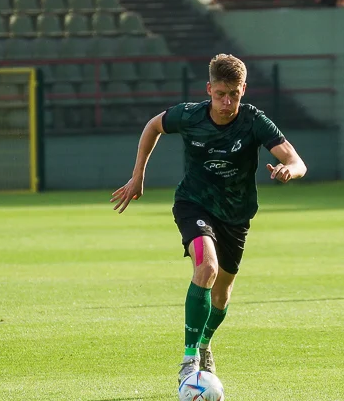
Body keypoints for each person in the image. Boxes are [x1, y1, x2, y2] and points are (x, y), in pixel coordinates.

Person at [110, 54, 307, 384]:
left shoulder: (254, 121)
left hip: (236, 216)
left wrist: (290, 171)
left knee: (222, 294)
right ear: (209, 90)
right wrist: (138, 175)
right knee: (207, 267)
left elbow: (296, 160)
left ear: (243, 89)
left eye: (233, 94)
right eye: (220, 94)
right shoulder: (190, 115)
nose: (227, 102)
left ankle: (204, 344)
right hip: (194, 205)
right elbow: (153, 126)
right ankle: (189, 360)